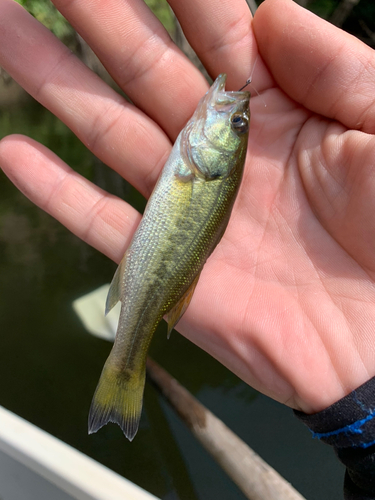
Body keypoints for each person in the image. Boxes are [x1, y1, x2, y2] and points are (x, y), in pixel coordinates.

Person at [0, 0, 374, 497]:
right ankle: (125, 368)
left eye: (236, 126)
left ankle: (123, 367)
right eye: (239, 125)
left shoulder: (202, 161)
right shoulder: (201, 158)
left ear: (219, 156)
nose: (235, 112)